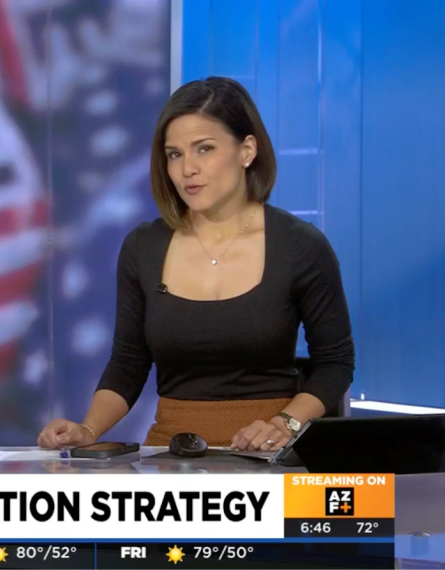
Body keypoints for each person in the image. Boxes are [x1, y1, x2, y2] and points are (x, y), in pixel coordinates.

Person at [38, 77, 354, 451]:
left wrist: (284, 424)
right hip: (172, 453)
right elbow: (128, 364)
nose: (188, 168)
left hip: (269, 450)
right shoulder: (143, 247)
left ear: (247, 151)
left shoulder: (301, 246)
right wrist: (87, 430)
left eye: (204, 149)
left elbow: (335, 363)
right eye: (175, 154)